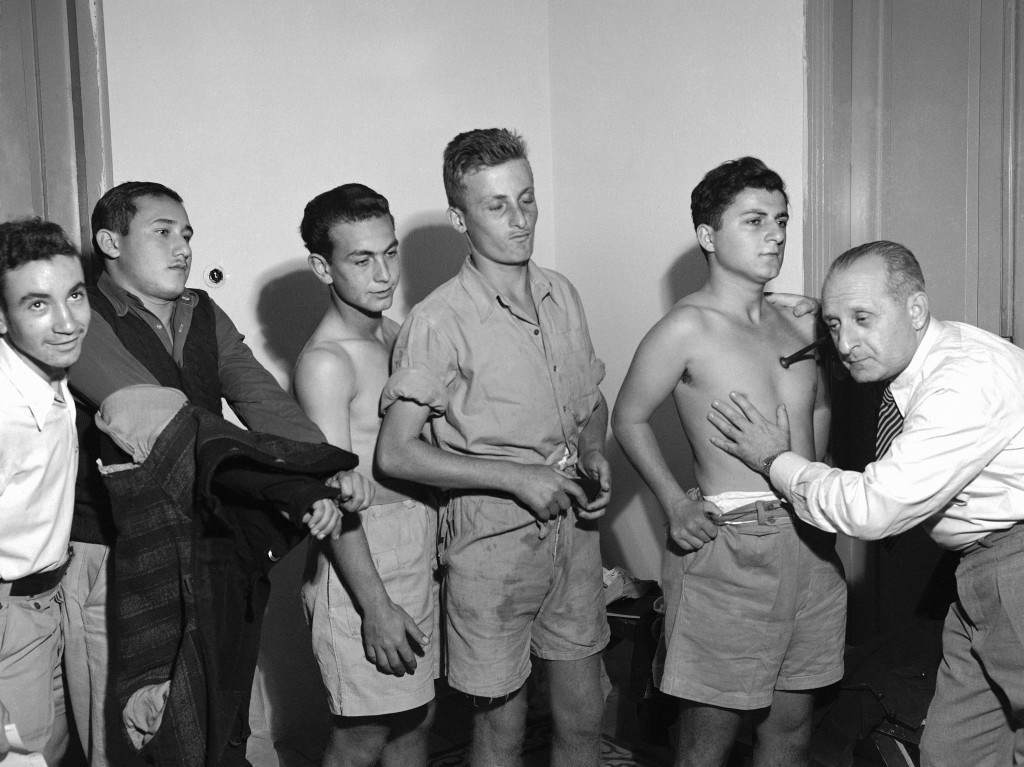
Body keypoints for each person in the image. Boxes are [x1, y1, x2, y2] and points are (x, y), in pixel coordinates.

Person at [65, 181, 370, 765]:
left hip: (209, 544)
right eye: (162, 232)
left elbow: (259, 397)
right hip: (117, 558)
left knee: (226, 730)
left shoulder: (201, 310)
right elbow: (170, 423)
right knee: (135, 738)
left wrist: (325, 465)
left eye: (187, 235)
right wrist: (298, 483)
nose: (182, 247)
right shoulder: (84, 316)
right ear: (109, 240)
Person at [708, 239, 1024, 767]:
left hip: (1014, 568)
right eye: (834, 325)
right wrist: (768, 308)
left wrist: (775, 461)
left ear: (916, 309)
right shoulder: (932, 355)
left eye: (862, 319)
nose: (846, 342)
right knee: (954, 751)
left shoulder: (962, 383)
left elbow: (875, 509)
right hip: (980, 572)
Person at [375, 128, 611, 767]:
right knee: (502, 730)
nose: (520, 219)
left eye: (527, 199)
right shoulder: (438, 319)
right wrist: (514, 477)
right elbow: (395, 454)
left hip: (574, 533)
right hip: (492, 544)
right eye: (497, 206)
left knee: (585, 718)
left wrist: (594, 452)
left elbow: (592, 402)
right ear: (459, 217)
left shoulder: (562, 293)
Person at [612, 157, 845, 767]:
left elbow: (817, 407)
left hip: (812, 545)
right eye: (755, 221)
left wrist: (815, 483)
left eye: (782, 220)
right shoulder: (687, 326)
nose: (776, 234)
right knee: (707, 736)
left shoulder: (800, 322)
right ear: (709, 236)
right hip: (733, 549)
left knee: (792, 726)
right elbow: (627, 417)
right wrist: (672, 500)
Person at [293, 183, 436, 766]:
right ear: (322, 268)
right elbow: (336, 501)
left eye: (391, 253)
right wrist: (374, 607)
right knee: (362, 733)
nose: (383, 275)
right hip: (361, 562)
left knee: (416, 720)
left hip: (417, 545)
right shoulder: (327, 362)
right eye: (360, 259)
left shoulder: (397, 335)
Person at [0, 218, 90, 763]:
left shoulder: (48, 372)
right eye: (37, 304)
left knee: (50, 749)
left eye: (74, 295)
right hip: (9, 613)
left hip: (48, 597)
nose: (66, 322)